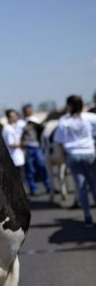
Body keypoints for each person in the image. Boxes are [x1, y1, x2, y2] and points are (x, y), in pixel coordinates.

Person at [54, 95, 96, 228]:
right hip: (89, 153)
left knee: (81, 187)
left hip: (73, 155)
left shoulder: (64, 120)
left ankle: (88, 217)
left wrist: (62, 156)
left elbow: (59, 141)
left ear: (69, 106)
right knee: (94, 185)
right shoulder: (90, 117)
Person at [21, 103, 51, 195]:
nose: (29, 112)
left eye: (30, 110)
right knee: (30, 169)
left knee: (42, 166)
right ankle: (34, 189)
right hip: (27, 147)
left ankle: (49, 187)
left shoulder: (36, 120)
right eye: (27, 111)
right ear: (24, 112)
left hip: (37, 146)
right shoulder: (22, 123)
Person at [2, 109, 25, 180]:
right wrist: (23, 143)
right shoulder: (8, 129)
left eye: (15, 116)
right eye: (13, 117)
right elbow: (11, 144)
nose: (15, 118)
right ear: (8, 118)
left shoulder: (12, 127)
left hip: (17, 158)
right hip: (14, 159)